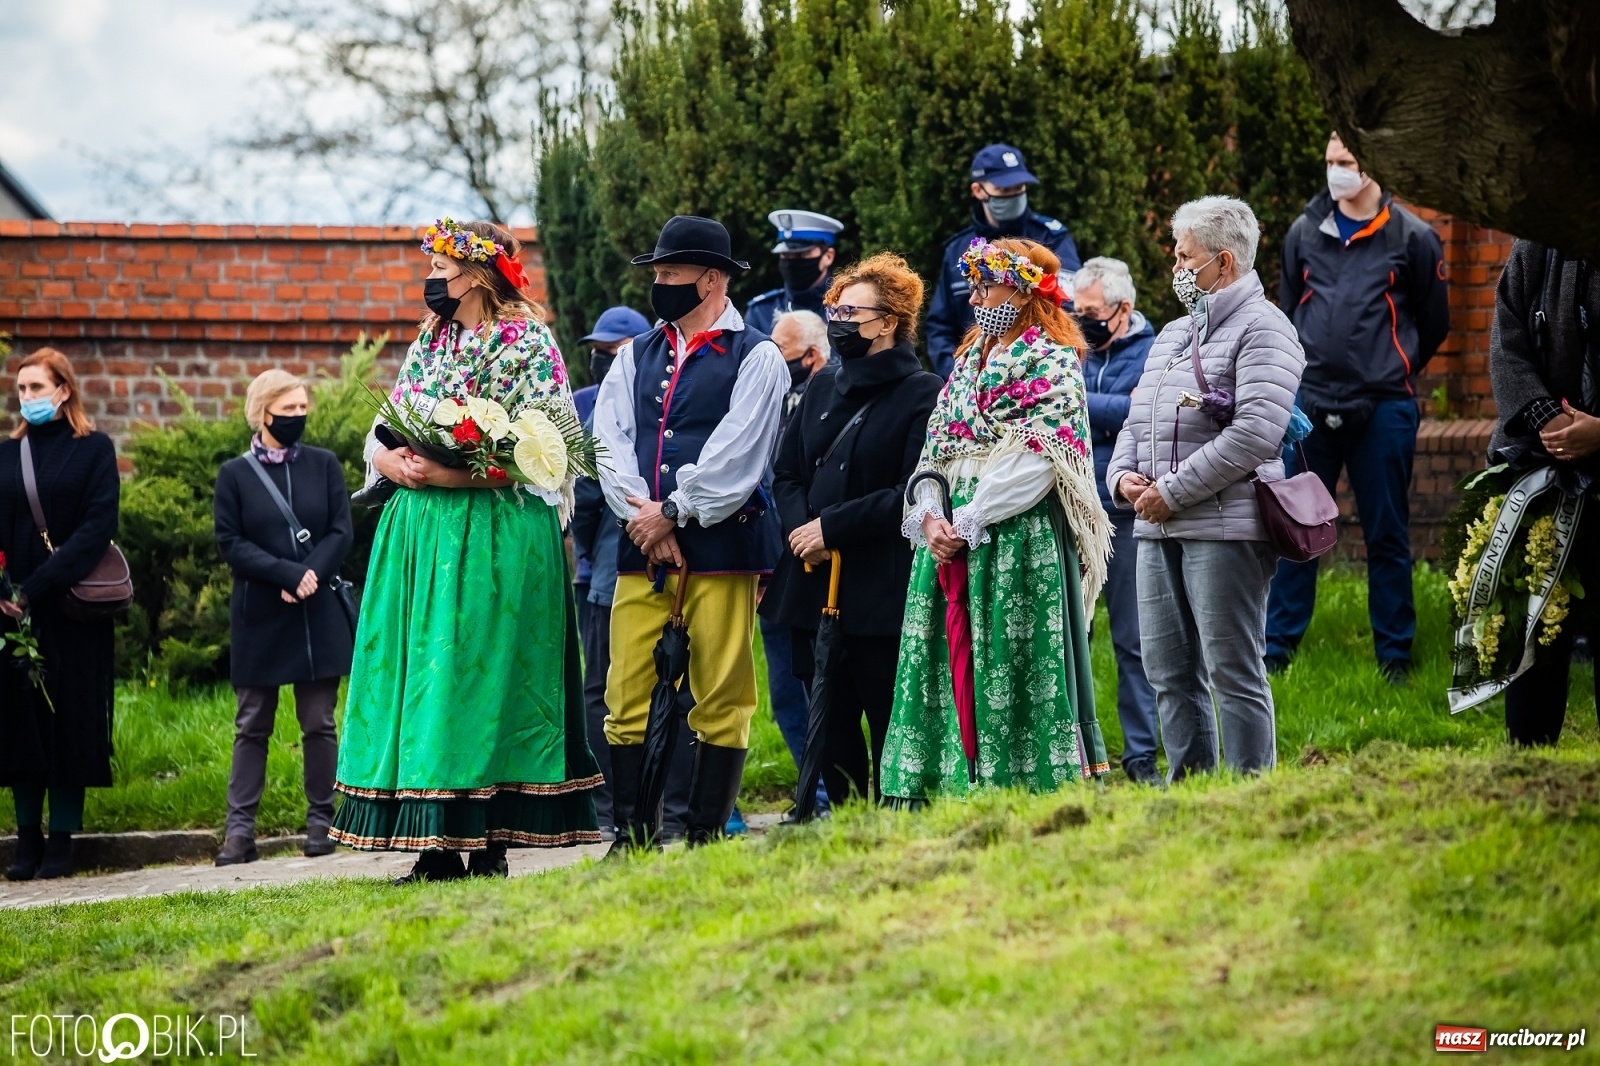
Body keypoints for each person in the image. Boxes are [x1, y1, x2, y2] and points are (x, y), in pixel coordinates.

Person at [331, 218, 602, 883]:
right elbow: (388, 418)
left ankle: (490, 843)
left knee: (486, 677)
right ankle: (435, 845)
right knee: (428, 676)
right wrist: (389, 463)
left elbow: (554, 447)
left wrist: (461, 472)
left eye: (444, 271)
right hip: (425, 533)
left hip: (495, 531)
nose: (433, 283)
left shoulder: (528, 342)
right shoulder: (435, 336)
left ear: (478, 275)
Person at [882, 237, 1111, 803]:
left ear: (1026, 288)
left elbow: (1043, 454)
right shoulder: (967, 358)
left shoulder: (1051, 357)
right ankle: (944, 780)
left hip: (1015, 529)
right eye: (975, 284)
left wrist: (974, 517)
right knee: (945, 649)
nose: (978, 295)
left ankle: (1023, 781)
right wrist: (931, 513)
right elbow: (937, 445)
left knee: (1014, 655)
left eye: (991, 283)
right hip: (952, 528)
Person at [594, 215, 788, 849]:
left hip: (725, 546)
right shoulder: (635, 356)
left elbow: (739, 456)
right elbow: (609, 443)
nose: (659, 283)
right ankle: (632, 836)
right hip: (644, 549)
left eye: (670, 273)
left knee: (721, 693)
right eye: (657, 273)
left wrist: (672, 510)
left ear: (710, 280)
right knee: (624, 693)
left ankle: (705, 835)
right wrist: (641, 517)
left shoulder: (757, 356)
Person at [1106, 196, 1306, 782]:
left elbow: (1255, 434)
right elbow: (1138, 417)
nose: (1175, 267)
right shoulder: (1172, 333)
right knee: (1167, 672)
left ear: (1223, 262)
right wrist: (1122, 476)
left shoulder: (1267, 329)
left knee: (1232, 671)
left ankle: (1251, 795)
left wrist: (1172, 489)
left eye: (1184, 256)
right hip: (1156, 522)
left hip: (1227, 524)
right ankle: (1191, 794)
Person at [1264, 131, 1450, 680]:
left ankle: (1394, 654)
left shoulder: (1414, 236)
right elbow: (1289, 304)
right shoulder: (1304, 232)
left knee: (1386, 531)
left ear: (1372, 166)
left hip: (1383, 407)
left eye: (1345, 161)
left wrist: (1394, 366)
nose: (1335, 171)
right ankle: (1277, 650)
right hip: (1310, 401)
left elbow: (1433, 321)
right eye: (1329, 161)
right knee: (1294, 526)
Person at [764, 254, 942, 805]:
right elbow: (787, 471)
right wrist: (802, 533)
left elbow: (910, 492)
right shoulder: (821, 387)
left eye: (850, 311)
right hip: (813, 582)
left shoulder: (923, 392)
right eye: (834, 309)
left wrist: (831, 528)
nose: (838, 320)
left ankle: (894, 829)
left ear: (888, 321)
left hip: (879, 587)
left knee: (887, 718)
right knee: (831, 725)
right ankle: (843, 826)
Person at [212, 370, 354, 866]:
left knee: (319, 721)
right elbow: (231, 543)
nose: (297, 417)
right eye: (287, 410)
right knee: (252, 723)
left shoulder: (324, 465)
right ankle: (239, 833)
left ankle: (323, 823)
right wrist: (286, 575)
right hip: (261, 615)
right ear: (261, 413)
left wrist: (310, 574)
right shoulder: (235, 475)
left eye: (301, 408)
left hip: (316, 614)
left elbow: (340, 530)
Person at [0, 348, 120, 881]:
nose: (29, 398)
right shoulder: (6, 455)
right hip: (12, 613)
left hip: (75, 610)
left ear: (64, 391)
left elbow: (97, 528)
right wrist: (6, 592)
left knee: (71, 722)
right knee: (21, 725)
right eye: (22, 390)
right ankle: (25, 837)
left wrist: (35, 587)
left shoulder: (94, 450)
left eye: (37, 388)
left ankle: (62, 839)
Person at [1481, 239, 1600, 744]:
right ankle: (1529, 768)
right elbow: (1507, 340)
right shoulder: (1536, 248)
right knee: (1534, 637)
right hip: (1541, 470)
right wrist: (1545, 417)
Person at [1072, 257, 1161, 786]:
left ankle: (1141, 754)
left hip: (1126, 518)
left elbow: (1141, 412)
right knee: (1069, 639)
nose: (1081, 321)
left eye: (1091, 312)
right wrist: (1107, 408)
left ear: (1123, 310)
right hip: (1073, 509)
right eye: (1075, 310)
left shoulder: (1154, 352)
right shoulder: (1070, 348)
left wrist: (1081, 403)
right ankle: (1077, 755)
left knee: (1133, 640)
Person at [570, 305, 648, 839]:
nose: (602, 363)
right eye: (597, 354)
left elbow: (595, 492)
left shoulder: (654, 397)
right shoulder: (579, 404)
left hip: (628, 563)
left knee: (650, 685)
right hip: (595, 571)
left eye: (614, 354)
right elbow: (576, 487)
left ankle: (653, 801)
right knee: (600, 688)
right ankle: (605, 806)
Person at [925, 145, 1082, 378]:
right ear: (978, 190)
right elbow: (940, 327)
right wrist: (961, 375)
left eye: (1018, 187)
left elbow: (1067, 309)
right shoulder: (959, 249)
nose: (1013, 195)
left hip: (1037, 371)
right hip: (970, 375)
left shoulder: (1051, 239)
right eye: (1003, 188)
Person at [761, 307, 831, 810]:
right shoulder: (772, 398)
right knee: (786, 689)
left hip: (822, 557)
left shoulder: (833, 398)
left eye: (784, 356)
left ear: (813, 355)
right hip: (775, 563)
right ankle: (814, 797)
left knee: (829, 687)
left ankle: (841, 790)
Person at [744, 210, 843, 337]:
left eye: (802, 254)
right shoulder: (761, 312)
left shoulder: (845, 309)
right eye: (785, 255)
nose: (791, 262)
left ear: (828, 257)